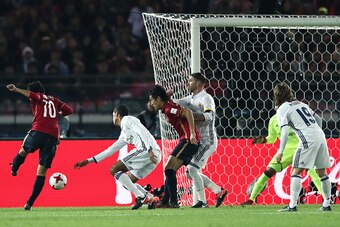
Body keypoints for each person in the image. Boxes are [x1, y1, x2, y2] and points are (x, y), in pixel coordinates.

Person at [74, 104, 161, 210]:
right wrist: (89, 161)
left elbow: (142, 131)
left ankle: (141, 197)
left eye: (113, 115)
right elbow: (110, 151)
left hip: (146, 151)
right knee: (127, 183)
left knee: (114, 169)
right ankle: (150, 198)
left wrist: (149, 149)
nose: (113, 118)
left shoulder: (127, 119)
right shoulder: (124, 134)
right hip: (153, 154)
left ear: (118, 115)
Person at [7, 81, 73, 211]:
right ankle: (29, 204)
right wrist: (57, 114)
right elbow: (68, 110)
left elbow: (33, 95)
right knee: (41, 172)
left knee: (23, 151)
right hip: (53, 137)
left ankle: (14, 169)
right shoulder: (54, 100)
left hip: (38, 131)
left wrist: (16, 89)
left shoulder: (39, 97)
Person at [272, 82, 331, 212]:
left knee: (296, 171)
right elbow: (319, 120)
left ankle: (292, 205)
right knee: (322, 172)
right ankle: (327, 204)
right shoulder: (301, 104)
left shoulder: (282, 108)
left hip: (307, 138)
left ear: (276, 95)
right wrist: (315, 133)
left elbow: (285, 131)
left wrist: (280, 151)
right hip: (320, 136)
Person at [241, 113, 323, 206]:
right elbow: (271, 138)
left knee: (313, 172)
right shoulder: (273, 120)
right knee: (267, 172)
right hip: (285, 151)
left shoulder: (296, 114)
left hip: (301, 148)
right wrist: (262, 140)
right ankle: (251, 199)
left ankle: (326, 199)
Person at [174, 73, 228, 208]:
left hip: (208, 140)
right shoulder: (190, 98)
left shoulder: (206, 98)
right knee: (189, 172)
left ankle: (202, 201)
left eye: (190, 81)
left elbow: (210, 116)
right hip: (198, 141)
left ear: (198, 83)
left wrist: (191, 116)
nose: (187, 83)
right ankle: (218, 191)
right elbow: (175, 102)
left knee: (192, 169)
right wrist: (167, 98)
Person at [149, 84, 200, 208]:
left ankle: (173, 201)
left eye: (152, 100)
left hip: (188, 140)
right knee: (170, 171)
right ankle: (167, 201)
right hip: (186, 140)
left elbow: (188, 112)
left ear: (158, 99)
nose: (151, 103)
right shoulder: (166, 107)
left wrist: (192, 133)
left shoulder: (168, 109)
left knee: (168, 169)